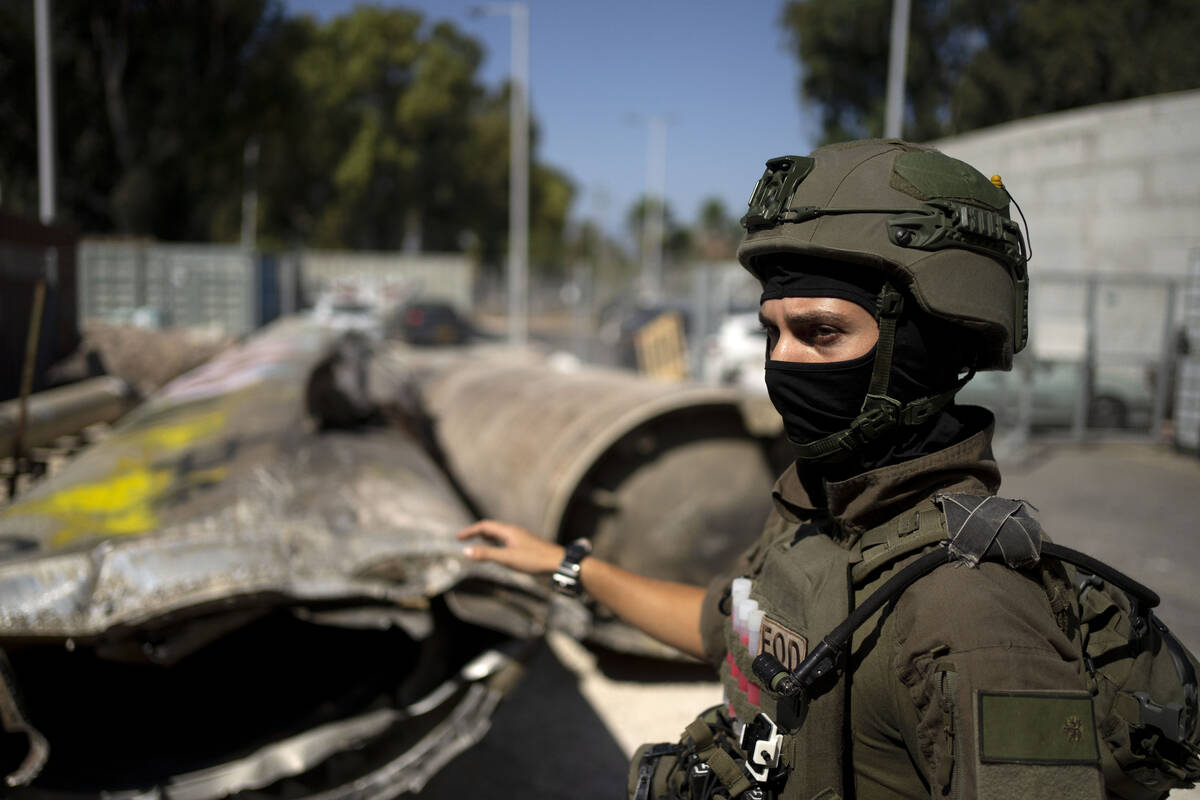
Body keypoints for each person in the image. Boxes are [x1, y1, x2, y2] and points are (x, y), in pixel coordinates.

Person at [459, 139, 1105, 799]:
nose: (782, 363)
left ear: (927, 346)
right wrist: (564, 565)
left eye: (821, 333)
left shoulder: (974, 612)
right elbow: (727, 625)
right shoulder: (816, 512)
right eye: (773, 333)